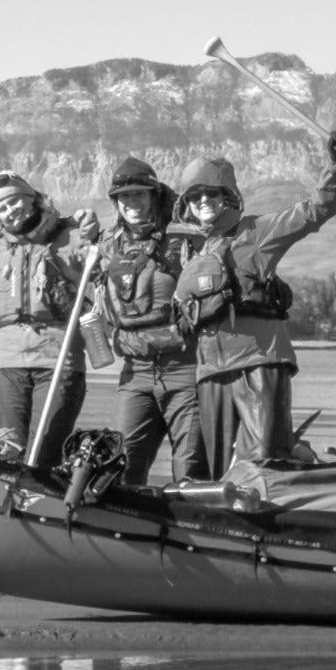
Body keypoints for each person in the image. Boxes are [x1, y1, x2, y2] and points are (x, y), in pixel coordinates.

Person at [174, 132, 336, 476]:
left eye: (211, 193)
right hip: (210, 372)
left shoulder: (257, 234)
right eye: (195, 196)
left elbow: (317, 210)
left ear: (228, 196)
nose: (203, 201)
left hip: (259, 364)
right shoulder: (189, 251)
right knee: (220, 472)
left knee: (264, 465)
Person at [0, 171, 99, 465]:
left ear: (31, 198)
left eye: (14, 201)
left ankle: (48, 509)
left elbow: (102, 265)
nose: (11, 211)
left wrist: (95, 232)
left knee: (44, 451)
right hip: (7, 363)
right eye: (2, 208)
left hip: (58, 359)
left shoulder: (69, 236)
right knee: (11, 449)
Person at [90, 157, 199, 484]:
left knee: (191, 467)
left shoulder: (184, 239)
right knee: (119, 466)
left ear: (154, 195)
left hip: (185, 369)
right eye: (124, 197)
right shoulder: (108, 245)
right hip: (134, 372)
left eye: (139, 195)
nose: (132, 203)